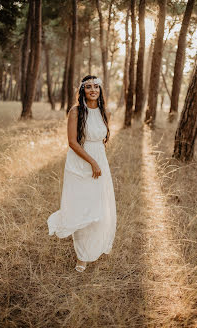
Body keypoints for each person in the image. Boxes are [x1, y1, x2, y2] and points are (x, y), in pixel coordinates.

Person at [47, 75, 117, 272]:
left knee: (98, 207)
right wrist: (92, 161)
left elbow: (102, 140)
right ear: (83, 91)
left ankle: (93, 247)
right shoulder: (76, 111)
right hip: (80, 163)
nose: (93, 90)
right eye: (88, 87)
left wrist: (98, 160)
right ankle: (82, 257)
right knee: (81, 207)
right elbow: (72, 142)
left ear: (100, 90)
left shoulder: (106, 112)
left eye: (96, 86)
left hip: (99, 162)